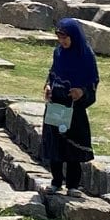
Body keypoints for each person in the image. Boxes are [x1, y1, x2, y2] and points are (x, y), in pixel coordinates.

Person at [44, 17, 100, 194]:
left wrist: (82, 92)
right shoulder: (58, 53)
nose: (62, 42)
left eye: (65, 38)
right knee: (56, 146)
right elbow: (52, 74)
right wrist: (47, 87)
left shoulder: (86, 56)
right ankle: (56, 181)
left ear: (74, 36)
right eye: (59, 38)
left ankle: (73, 185)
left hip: (74, 108)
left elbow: (93, 81)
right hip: (56, 105)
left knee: (73, 147)